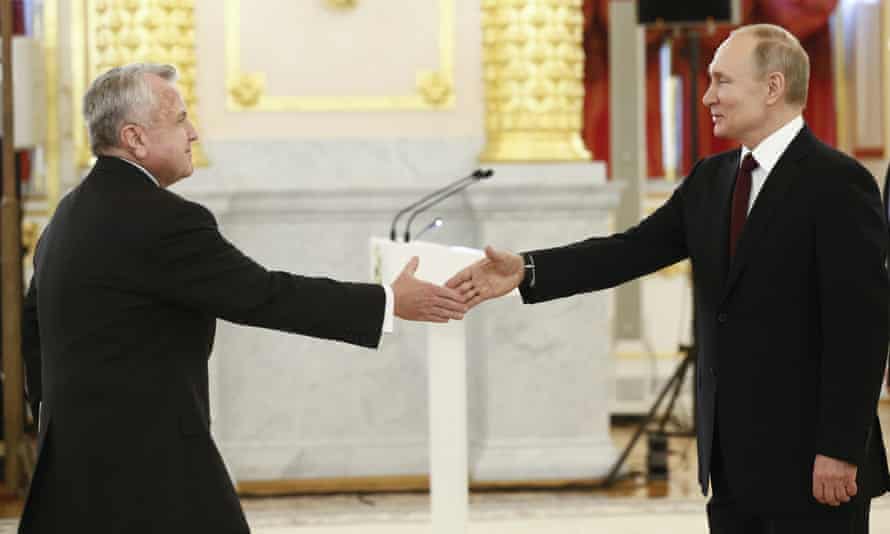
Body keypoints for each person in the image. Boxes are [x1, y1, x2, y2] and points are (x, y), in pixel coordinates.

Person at [449, 24, 890, 534]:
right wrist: (526, 269)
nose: (708, 97)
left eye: (722, 82)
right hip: (730, 463)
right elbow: (628, 251)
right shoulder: (712, 178)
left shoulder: (839, 182)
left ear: (772, 87)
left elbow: (860, 328)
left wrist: (838, 448)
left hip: (813, 464)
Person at [18, 63, 468, 533]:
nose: (193, 132)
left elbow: (33, 325)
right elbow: (264, 295)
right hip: (152, 465)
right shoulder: (165, 220)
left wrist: (55, 421)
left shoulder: (69, 212)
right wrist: (389, 301)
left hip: (74, 466)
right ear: (134, 138)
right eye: (180, 119)